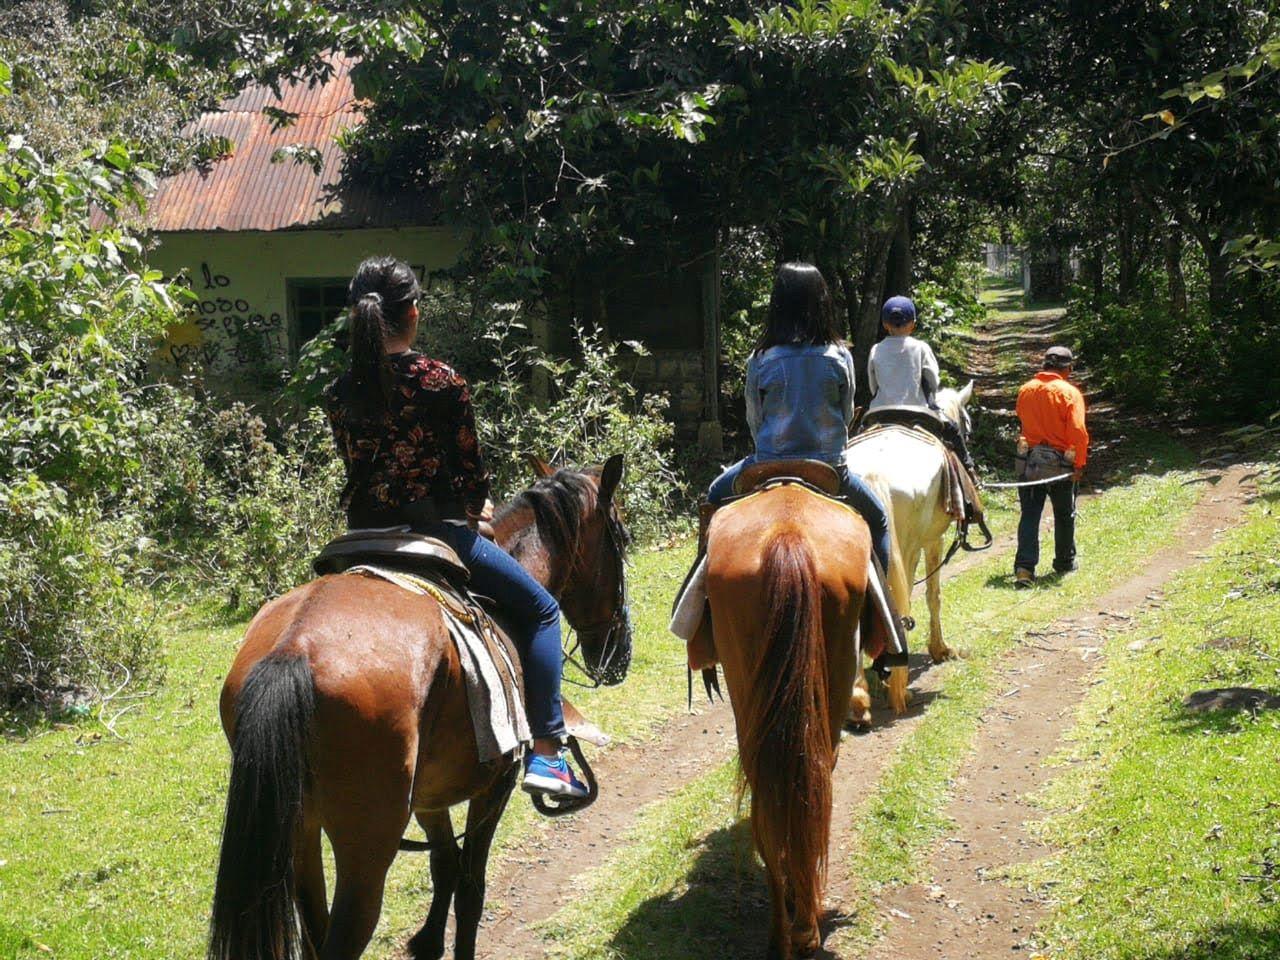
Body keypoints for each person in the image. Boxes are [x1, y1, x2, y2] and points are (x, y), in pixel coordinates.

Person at [324, 255, 587, 799]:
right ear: (413, 313)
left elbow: (355, 465)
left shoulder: (339, 390)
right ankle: (546, 752)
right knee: (542, 610)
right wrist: (477, 510)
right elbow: (469, 476)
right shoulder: (442, 382)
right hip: (436, 533)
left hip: (357, 538)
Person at [707, 262, 892, 576]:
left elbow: (754, 418)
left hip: (767, 462)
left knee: (713, 495)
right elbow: (846, 413)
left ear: (777, 305)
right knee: (880, 519)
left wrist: (770, 449)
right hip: (829, 467)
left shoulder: (760, 358)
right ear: (822, 302)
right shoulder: (839, 355)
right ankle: (883, 608)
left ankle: (701, 603)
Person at [866, 295, 976, 474]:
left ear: (885, 325)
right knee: (953, 431)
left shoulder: (876, 349)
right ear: (913, 324)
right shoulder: (921, 347)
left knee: (858, 439)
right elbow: (933, 381)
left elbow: (873, 385)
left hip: (880, 412)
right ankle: (969, 469)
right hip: (918, 412)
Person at [1012, 345, 1089, 589]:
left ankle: (1024, 569)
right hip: (1060, 464)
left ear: (1044, 365)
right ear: (1068, 368)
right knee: (1064, 515)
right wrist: (1079, 464)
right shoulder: (1070, 393)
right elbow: (1078, 432)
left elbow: (1022, 419)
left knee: (1030, 515)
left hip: (1030, 462)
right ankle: (1064, 561)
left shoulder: (1026, 390)